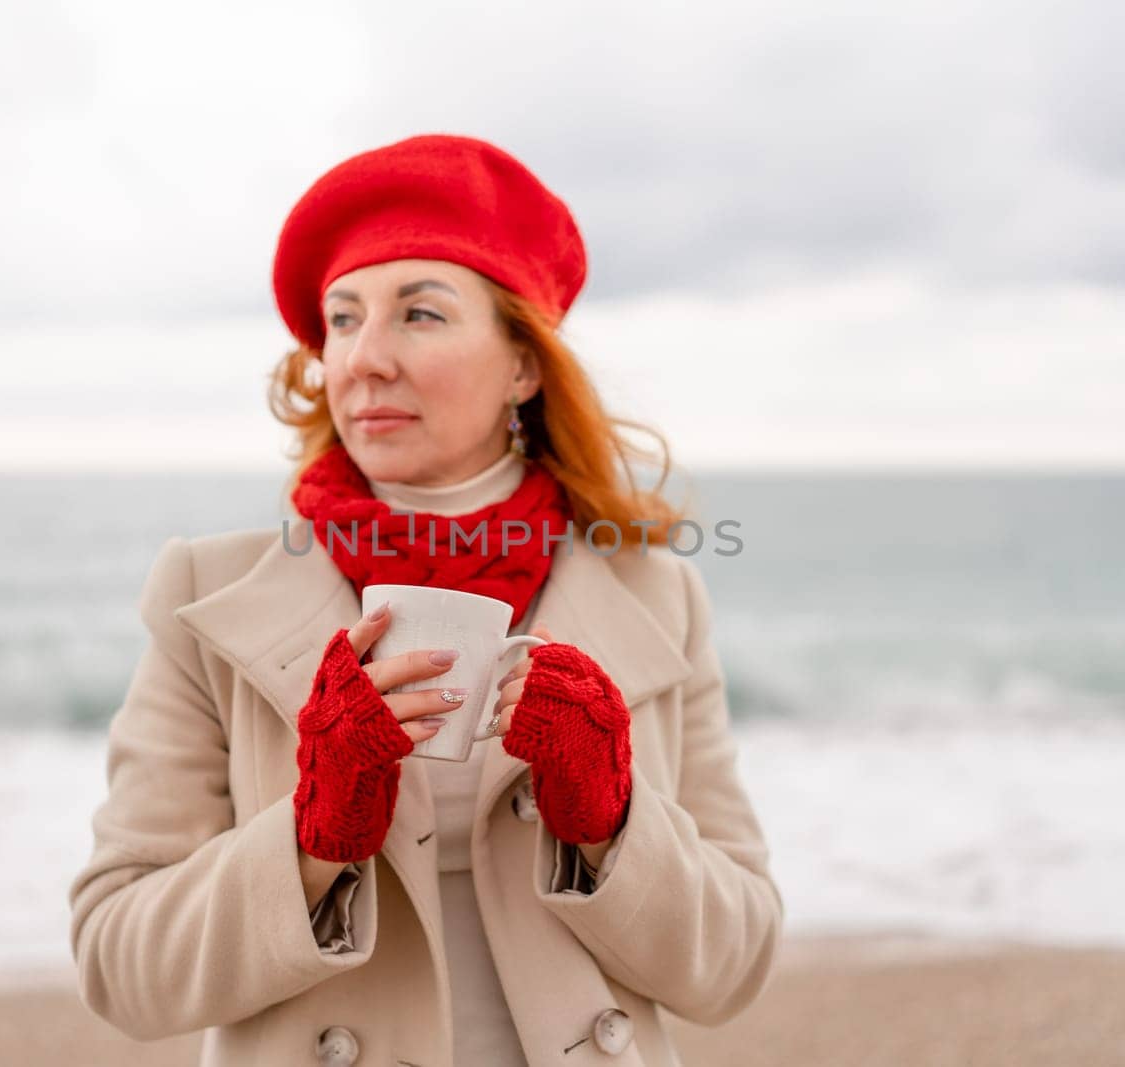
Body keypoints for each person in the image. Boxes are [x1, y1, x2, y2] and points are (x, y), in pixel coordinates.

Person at [67, 133, 784, 1067]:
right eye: (342, 318)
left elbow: (734, 966)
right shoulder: (204, 594)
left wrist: (612, 820)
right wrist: (312, 836)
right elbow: (120, 965)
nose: (363, 359)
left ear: (524, 364)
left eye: (420, 314)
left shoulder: (660, 595)